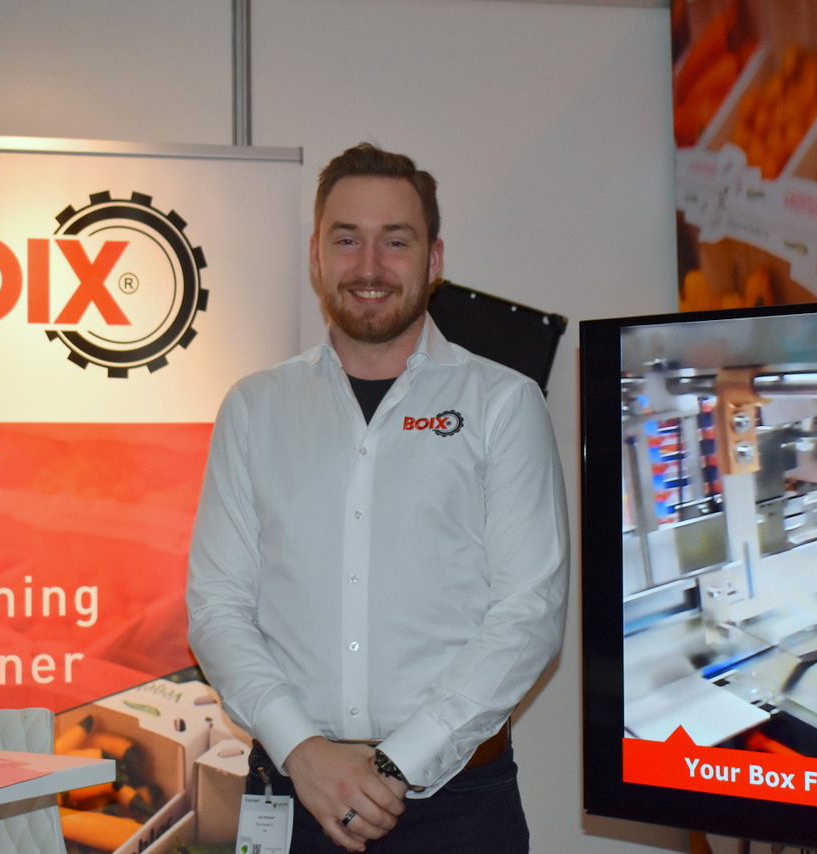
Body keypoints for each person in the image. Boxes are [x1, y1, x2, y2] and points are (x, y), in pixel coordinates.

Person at [186, 142, 569, 853]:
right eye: (346, 240)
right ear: (315, 257)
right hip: (293, 789)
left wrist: (396, 767)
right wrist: (305, 752)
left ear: (434, 258)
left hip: (458, 806)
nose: (370, 266)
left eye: (396, 241)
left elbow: (530, 613)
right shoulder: (254, 409)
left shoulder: (503, 403)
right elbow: (217, 609)